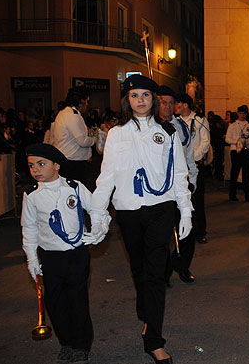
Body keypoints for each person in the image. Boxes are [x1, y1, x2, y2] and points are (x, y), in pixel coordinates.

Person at [88, 75, 193, 364]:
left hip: (161, 209)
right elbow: (106, 177)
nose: (141, 100)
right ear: (127, 100)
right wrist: (98, 215)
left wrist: (186, 211)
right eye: (135, 95)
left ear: (154, 99)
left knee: (156, 272)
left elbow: (179, 174)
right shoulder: (117, 134)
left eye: (146, 95)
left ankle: (154, 339)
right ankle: (146, 305)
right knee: (139, 268)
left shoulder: (168, 132)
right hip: (129, 211)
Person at [22, 143, 108, 364]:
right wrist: (32, 258)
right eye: (32, 165)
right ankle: (66, 343)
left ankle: (81, 344)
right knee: (56, 302)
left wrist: (99, 228)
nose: (36, 170)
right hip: (50, 257)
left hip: (76, 253)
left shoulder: (74, 187)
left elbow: (97, 208)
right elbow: (29, 228)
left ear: (57, 166)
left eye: (41, 164)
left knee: (77, 299)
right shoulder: (31, 195)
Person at [158, 86, 198, 285]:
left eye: (171, 103)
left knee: (188, 230)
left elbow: (189, 156)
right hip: (159, 190)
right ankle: (163, 272)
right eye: (163, 102)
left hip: (182, 186)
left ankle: (182, 265)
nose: (167, 106)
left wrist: (193, 182)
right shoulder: (150, 127)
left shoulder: (181, 127)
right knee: (162, 234)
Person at [175, 93, 211, 243]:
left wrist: (192, 158)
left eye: (179, 103)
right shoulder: (175, 122)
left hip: (194, 165)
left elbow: (205, 142)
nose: (175, 106)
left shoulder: (199, 120)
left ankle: (200, 231)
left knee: (197, 200)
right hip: (179, 168)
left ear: (186, 105)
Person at [52, 87, 95, 183]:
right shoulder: (72, 115)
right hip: (73, 163)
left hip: (68, 160)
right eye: (87, 101)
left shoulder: (65, 113)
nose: (87, 104)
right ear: (81, 101)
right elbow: (82, 142)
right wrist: (94, 139)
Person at [225, 105, 249, 202]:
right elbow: (227, 139)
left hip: (246, 151)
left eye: (244, 113)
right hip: (235, 151)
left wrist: (246, 144)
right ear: (238, 113)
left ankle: (248, 196)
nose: (242, 115)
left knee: (246, 174)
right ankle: (232, 195)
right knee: (234, 173)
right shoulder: (233, 125)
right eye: (241, 113)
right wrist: (237, 142)